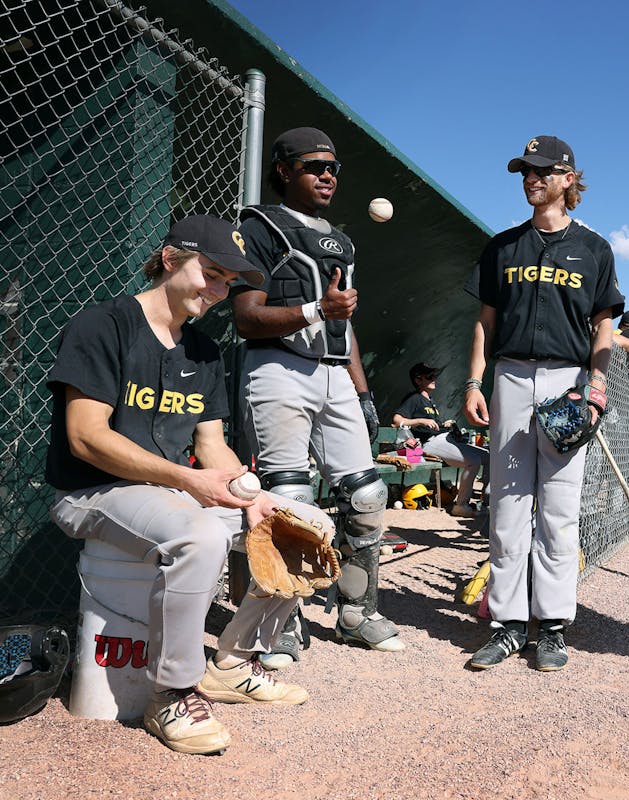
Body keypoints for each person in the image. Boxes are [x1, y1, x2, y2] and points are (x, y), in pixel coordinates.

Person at [45, 215, 323, 755]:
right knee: (200, 536)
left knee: (305, 523)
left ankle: (234, 662)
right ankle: (172, 691)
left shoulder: (204, 351)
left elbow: (212, 444)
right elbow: (85, 438)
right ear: (171, 260)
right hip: (92, 493)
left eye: (227, 282)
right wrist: (188, 480)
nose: (218, 291)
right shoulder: (104, 325)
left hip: (168, 491)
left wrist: (253, 496)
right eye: (211, 273)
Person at [233, 127, 403, 666]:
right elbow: (246, 316)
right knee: (290, 499)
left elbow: (344, 322)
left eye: (333, 168)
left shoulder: (340, 239)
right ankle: (281, 621)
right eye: (314, 167)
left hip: (333, 372)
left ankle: (356, 610)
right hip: (278, 367)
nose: (328, 176)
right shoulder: (258, 225)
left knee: (369, 495)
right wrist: (315, 312)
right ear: (283, 170)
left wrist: (363, 389)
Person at [463, 135, 624, 672]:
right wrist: (473, 383)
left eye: (541, 171)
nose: (530, 179)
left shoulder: (594, 248)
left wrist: (597, 383)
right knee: (507, 505)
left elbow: (603, 324)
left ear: (568, 179)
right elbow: (485, 323)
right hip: (510, 376)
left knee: (559, 507)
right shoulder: (503, 246)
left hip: (566, 380)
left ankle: (552, 625)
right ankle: (508, 624)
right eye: (524, 172)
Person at [391, 361, 488, 518]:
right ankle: (461, 505)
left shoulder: (430, 400)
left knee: (489, 457)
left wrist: (445, 424)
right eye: (429, 376)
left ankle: (487, 501)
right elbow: (396, 421)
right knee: (474, 461)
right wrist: (420, 420)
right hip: (430, 443)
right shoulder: (414, 398)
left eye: (433, 375)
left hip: (444, 439)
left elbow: (434, 425)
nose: (433, 378)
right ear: (418, 380)